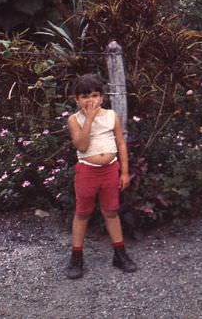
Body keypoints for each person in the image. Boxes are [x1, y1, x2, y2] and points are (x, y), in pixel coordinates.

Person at [65, 74, 137, 279]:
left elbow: (121, 143)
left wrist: (124, 172)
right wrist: (88, 119)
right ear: (76, 99)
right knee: (82, 213)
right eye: (85, 96)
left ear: (102, 97)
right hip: (87, 172)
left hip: (110, 171)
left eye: (95, 95)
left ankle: (120, 253)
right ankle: (76, 257)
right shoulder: (74, 120)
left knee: (111, 212)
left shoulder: (110, 116)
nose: (90, 101)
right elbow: (82, 145)